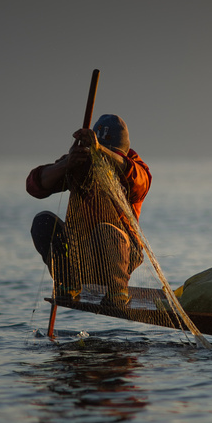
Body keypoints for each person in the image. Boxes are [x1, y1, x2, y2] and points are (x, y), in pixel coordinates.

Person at [27, 114, 152, 310]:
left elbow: (139, 182)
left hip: (122, 254)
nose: (100, 159)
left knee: (106, 231)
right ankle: (68, 283)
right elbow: (34, 185)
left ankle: (117, 293)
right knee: (43, 222)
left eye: (107, 154)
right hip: (82, 252)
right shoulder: (81, 163)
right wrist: (65, 164)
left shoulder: (134, 168)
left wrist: (100, 150)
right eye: (96, 153)